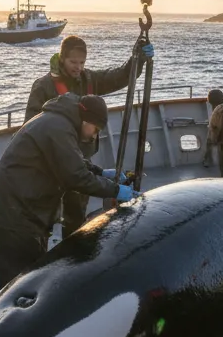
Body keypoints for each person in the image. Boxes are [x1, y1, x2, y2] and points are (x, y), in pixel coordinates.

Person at [0, 94, 140, 288]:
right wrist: (116, 191)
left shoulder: (59, 122)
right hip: (14, 215)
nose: (94, 136)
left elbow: (70, 160)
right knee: (18, 288)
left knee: (33, 279)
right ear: (85, 120)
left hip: (24, 212)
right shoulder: (58, 128)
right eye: (96, 129)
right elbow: (75, 177)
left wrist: (100, 172)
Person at [24, 35, 150, 235]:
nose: (78, 67)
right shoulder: (43, 86)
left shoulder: (90, 80)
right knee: (44, 213)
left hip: (81, 159)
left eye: (82, 62)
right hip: (51, 161)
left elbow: (119, 76)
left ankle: (73, 249)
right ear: (62, 58)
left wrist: (137, 60)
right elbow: (30, 126)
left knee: (76, 213)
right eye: (73, 62)